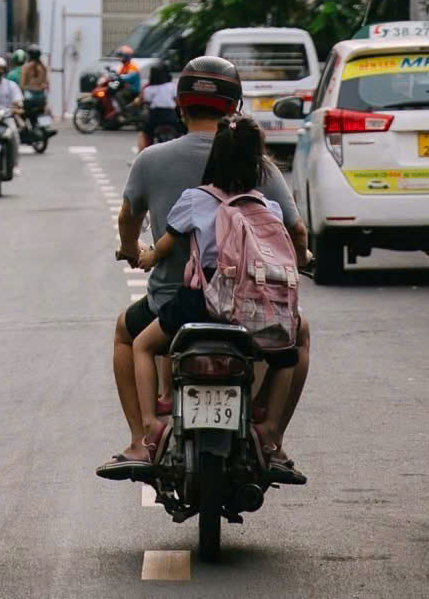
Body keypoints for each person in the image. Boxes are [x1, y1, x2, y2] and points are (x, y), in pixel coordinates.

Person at [98, 57, 312, 486]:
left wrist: (133, 251)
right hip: (252, 308)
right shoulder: (262, 169)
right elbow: (296, 231)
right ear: (235, 108)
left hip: (176, 302)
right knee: (297, 336)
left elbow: (129, 217)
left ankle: (141, 440)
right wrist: (303, 258)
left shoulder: (154, 161)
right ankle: (272, 440)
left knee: (127, 335)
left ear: (180, 105)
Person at [131, 115, 304, 481]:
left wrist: (146, 256)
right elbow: (292, 248)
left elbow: (163, 247)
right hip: (252, 310)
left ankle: (150, 428)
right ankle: (270, 430)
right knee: (287, 355)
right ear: (258, 163)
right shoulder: (269, 208)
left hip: (201, 302)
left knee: (143, 345)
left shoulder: (195, 199)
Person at [139, 61, 179, 145]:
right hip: (171, 115)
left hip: (155, 116)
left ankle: (144, 152)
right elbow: (177, 101)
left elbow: (146, 103)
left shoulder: (148, 89)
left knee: (145, 135)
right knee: (182, 132)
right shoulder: (172, 86)